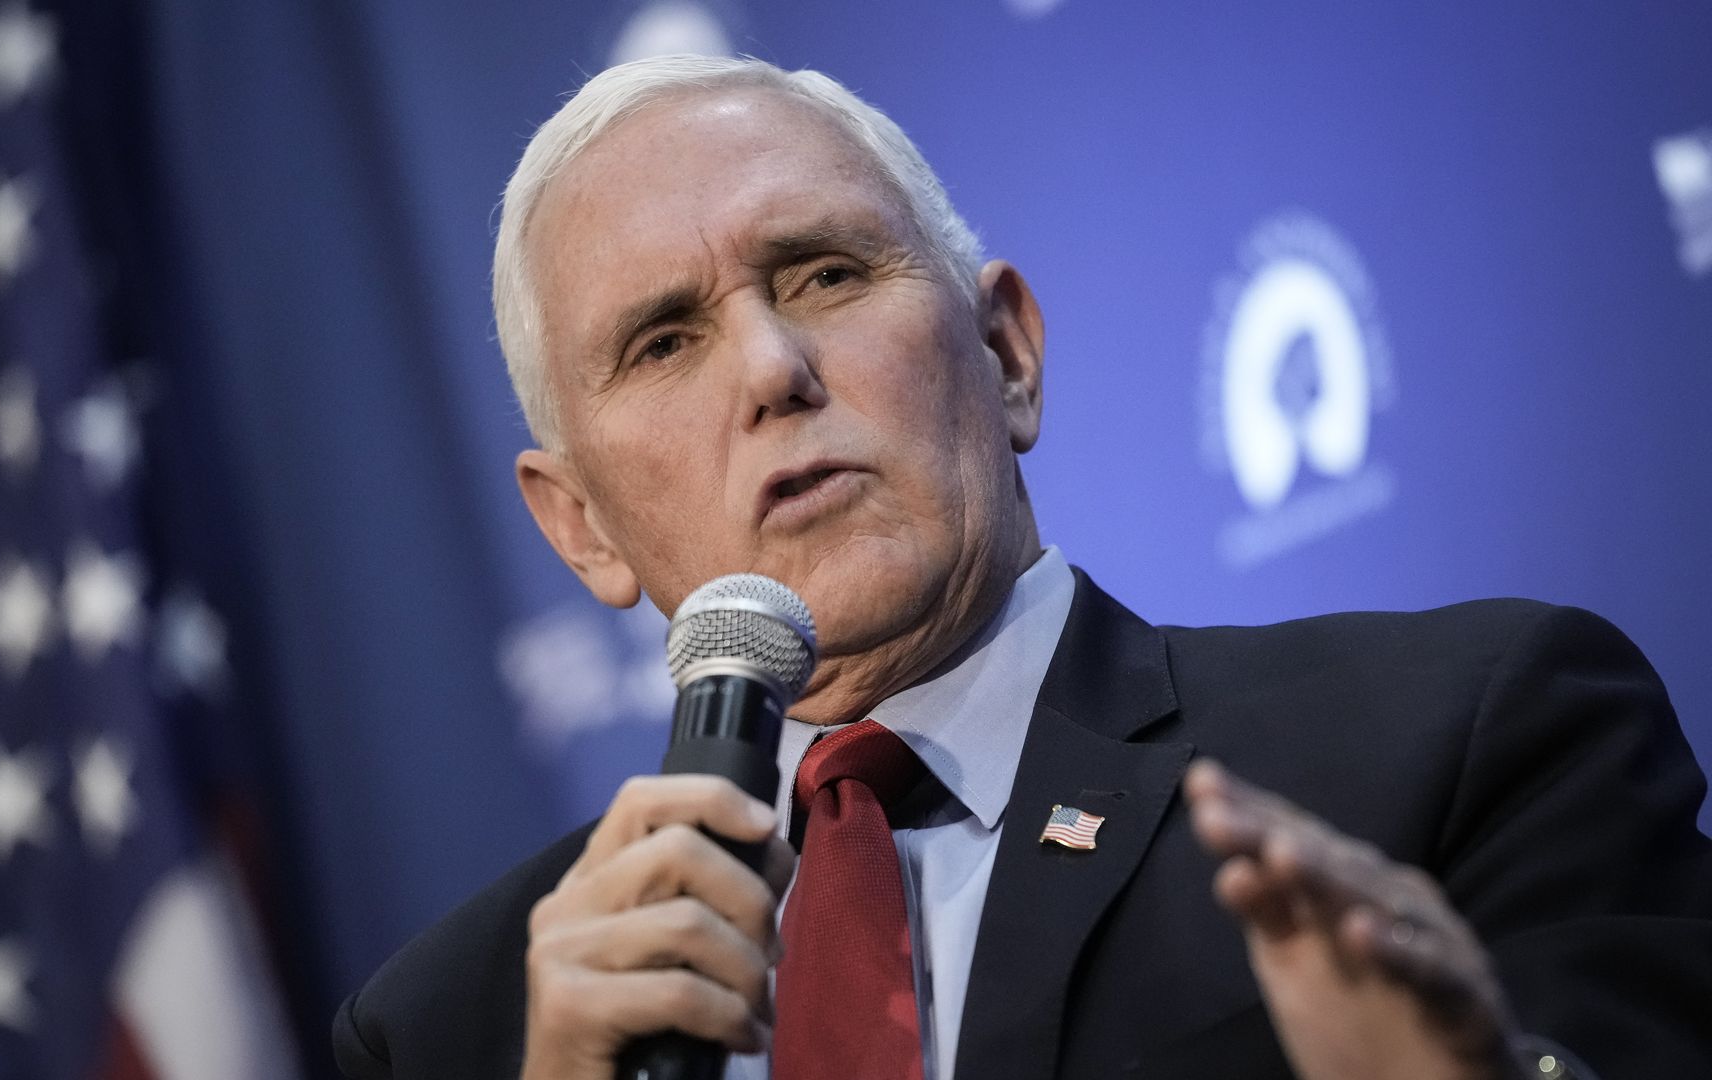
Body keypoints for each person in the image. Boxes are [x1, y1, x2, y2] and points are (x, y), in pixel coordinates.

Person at [331, 56, 1712, 1080]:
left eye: (823, 274)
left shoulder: (1457, 740)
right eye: (664, 343)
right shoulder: (455, 1027)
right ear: (580, 525)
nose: (771, 367)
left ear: (1005, 355)